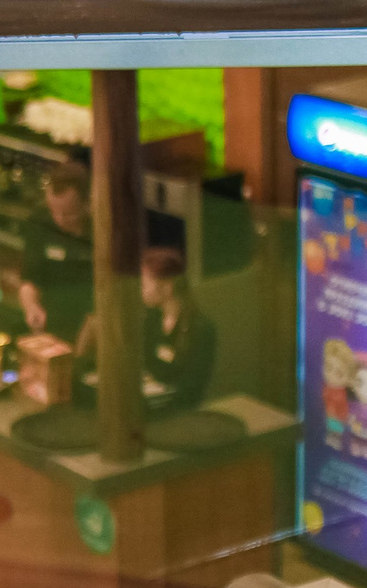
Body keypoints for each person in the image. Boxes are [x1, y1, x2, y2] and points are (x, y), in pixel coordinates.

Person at [79, 246, 219, 415]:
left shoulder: (200, 329)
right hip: (146, 398)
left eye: (144, 285)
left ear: (167, 288)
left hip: (177, 410)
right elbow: (137, 359)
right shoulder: (150, 318)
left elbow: (191, 389)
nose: (140, 290)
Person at [13, 159, 97, 350]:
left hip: (90, 328)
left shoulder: (101, 232)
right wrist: (31, 307)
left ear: (87, 203)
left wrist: (84, 345)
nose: (59, 220)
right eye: (54, 211)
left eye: (68, 214)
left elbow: (106, 296)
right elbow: (30, 278)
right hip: (50, 324)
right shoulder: (40, 222)